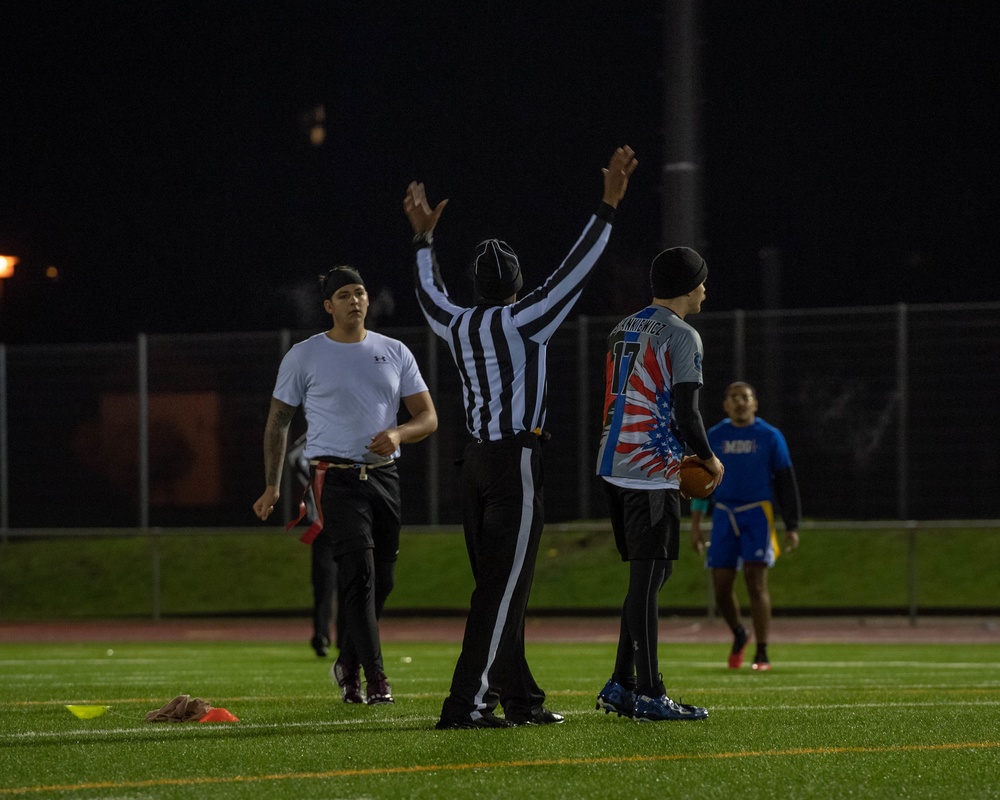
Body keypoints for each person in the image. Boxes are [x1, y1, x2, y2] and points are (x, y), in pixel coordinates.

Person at [404, 145, 638, 729]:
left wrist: (423, 242)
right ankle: (468, 704)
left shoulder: (459, 325)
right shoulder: (523, 319)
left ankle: (519, 699)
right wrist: (606, 208)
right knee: (501, 592)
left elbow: (430, 297)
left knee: (500, 586)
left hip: (475, 465)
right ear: (515, 284)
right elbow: (575, 270)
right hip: (516, 463)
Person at [253, 266, 438, 705]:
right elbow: (278, 422)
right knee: (359, 576)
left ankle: (348, 663)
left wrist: (397, 434)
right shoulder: (304, 355)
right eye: (344, 294)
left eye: (360, 292)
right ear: (328, 306)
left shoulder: (394, 351)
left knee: (384, 581)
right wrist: (272, 486)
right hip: (334, 479)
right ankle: (375, 679)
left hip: (385, 477)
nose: (355, 300)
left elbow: (428, 417)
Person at [594, 246, 723, 722]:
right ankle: (648, 690)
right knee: (649, 582)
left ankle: (621, 682)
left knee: (650, 577)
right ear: (689, 286)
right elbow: (687, 412)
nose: (706, 289)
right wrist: (709, 460)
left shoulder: (620, 327)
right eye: (702, 281)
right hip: (648, 469)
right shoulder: (683, 335)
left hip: (613, 459)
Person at [690, 381, 801, 671]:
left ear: (755, 404)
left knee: (755, 581)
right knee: (721, 587)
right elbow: (702, 483)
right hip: (724, 514)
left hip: (757, 515)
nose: (740, 402)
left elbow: (786, 482)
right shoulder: (714, 435)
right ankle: (740, 632)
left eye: (746, 397)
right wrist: (696, 524)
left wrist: (792, 524)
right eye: (734, 398)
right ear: (726, 405)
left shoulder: (770, 436)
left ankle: (762, 651)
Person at [287, 432, 342, 658]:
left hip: (349, 521)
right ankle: (321, 635)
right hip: (322, 525)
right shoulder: (316, 433)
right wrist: (316, 476)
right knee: (324, 582)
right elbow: (293, 457)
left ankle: (348, 636)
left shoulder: (349, 428)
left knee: (353, 579)